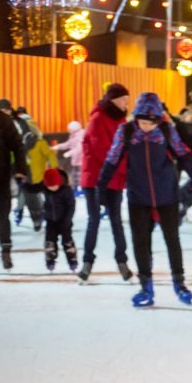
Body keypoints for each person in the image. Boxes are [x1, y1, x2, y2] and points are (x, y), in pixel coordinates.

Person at [97, 93, 192, 307]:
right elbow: (113, 158)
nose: (146, 127)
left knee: (172, 240)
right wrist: (102, 186)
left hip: (167, 194)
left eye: (151, 123)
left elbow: (182, 153)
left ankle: (179, 283)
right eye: (143, 122)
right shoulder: (126, 131)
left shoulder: (166, 130)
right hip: (138, 195)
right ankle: (146, 286)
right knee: (141, 242)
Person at [78, 84, 134, 283]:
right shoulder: (98, 119)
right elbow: (104, 153)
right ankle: (87, 262)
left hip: (114, 180)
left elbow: (124, 150)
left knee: (116, 221)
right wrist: (125, 169)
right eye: (123, 99)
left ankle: (122, 261)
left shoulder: (121, 120)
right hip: (95, 180)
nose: (126, 103)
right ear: (113, 100)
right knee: (94, 220)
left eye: (127, 100)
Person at [0, 99, 28, 269]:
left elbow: (17, 145)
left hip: (0, 175)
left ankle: (6, 249)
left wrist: (21, 168)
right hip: (2, 173)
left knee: (2, 213)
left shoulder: (2, 119)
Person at [21, 111, 56, 232]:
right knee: (33, 195)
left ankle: (37, 217)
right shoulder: (36, 136)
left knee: (30, 195)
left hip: (30, 171)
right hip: (32, 171)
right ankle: (38, 217)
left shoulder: (30, 136)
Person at [41, 168, 78, 272]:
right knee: (50, 241)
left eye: (54, 186)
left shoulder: (66, 190)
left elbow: (71, 206)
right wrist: (23, 185)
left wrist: (67, 220)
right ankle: (50, 260)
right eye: (50, 186)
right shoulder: (45, 188)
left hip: (64, 221)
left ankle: (72, 260)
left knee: (67, 241)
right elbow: (33, 188)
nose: (52, 188)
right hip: (50, 221)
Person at [52, 121, 85, 185]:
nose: (68, 130)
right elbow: (68, 144)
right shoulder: (73, 136)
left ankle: (79, 189)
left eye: (69, 129)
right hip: (76, 161)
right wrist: (57, 146)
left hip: (81, 161)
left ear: (74, 129)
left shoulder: (80, 136)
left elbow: (80, 148)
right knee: (76, 179)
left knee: (79, 180)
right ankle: (77, 189)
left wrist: (69, 153)